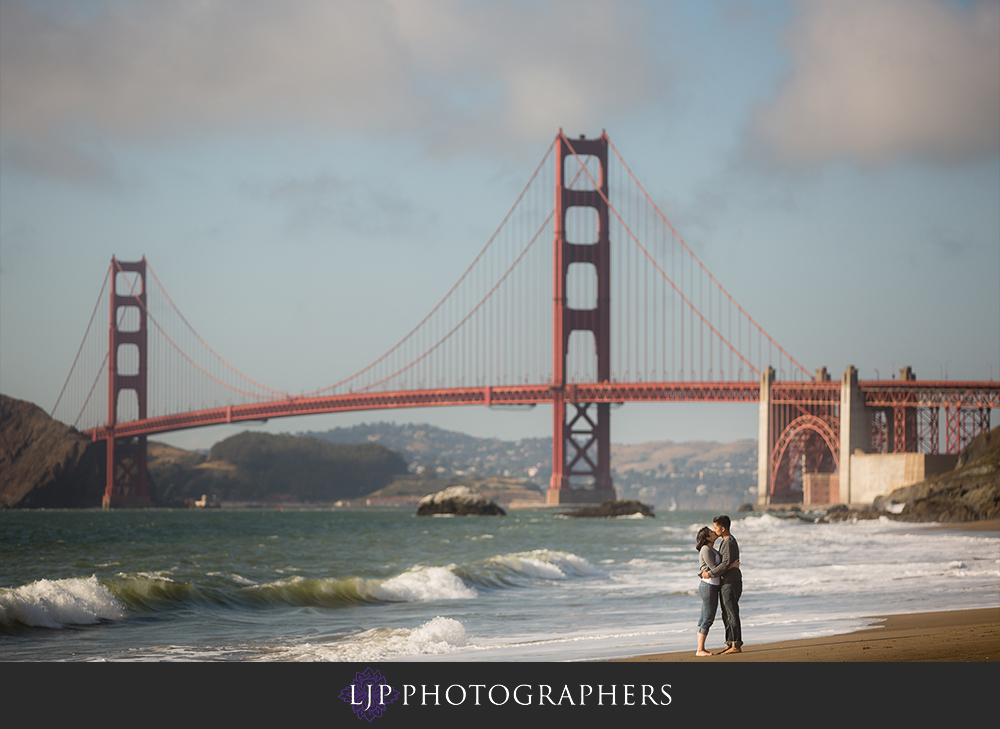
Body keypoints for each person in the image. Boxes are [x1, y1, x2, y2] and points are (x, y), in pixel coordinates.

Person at [700, 514, 742, 654]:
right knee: (726, 614)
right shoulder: (724, 541)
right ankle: (730, 643)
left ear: (723, 529)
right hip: (726, 581)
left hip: (731, 582)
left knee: (731, 613)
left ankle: (736, 645)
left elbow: (724, 565)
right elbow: (726, 565)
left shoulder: (729, 542)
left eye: (716, 528)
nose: (714, 530)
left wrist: (709, 574)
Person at [695, 526, 721, 656]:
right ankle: (700, 650)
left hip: (711, 585)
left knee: (704, 617)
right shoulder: (705, 549)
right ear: (707, 538)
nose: (714, 531)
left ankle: (700, 648)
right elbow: (715, 568)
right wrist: (732, 566)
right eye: (711, 531)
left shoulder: (712, 549)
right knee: (707, 619)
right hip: (708, 586)